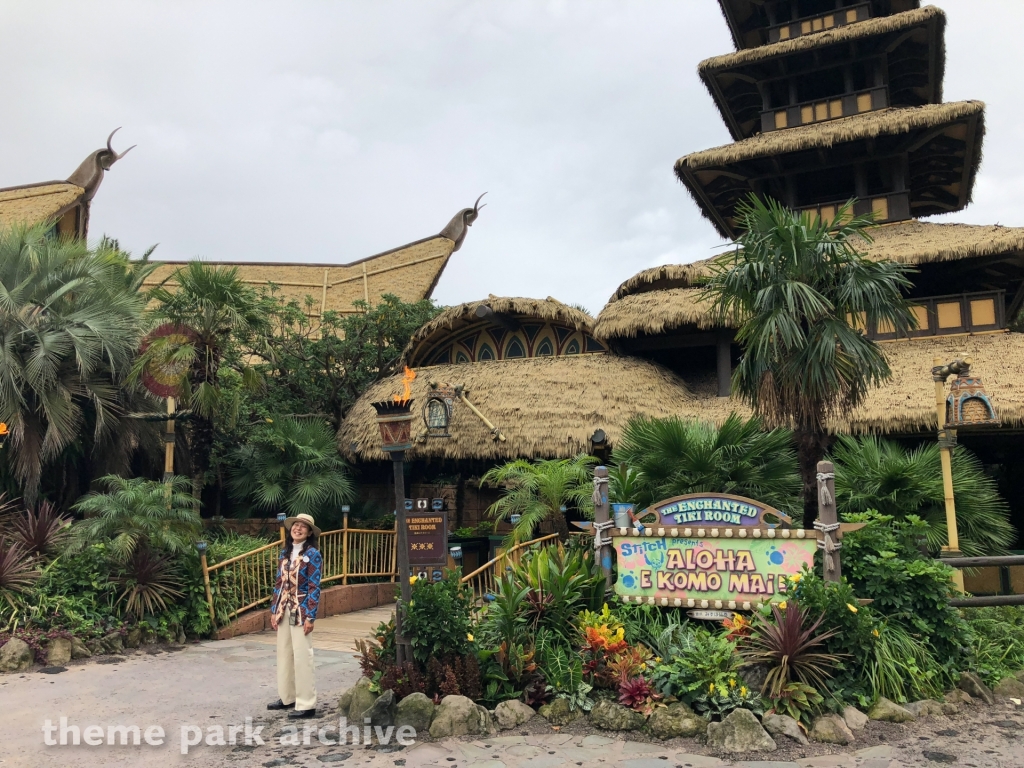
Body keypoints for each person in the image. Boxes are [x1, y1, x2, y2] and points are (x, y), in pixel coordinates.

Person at [266, 513, 323, 718]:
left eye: (303, 527)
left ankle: (307, 703)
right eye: (295, 525)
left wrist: (311, 616)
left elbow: (314, 586)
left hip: (301, 610)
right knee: (284, 652)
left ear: (309, 533)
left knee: (302, 655)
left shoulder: (313, 554)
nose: (298, 528)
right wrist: (274, 611)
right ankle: (288, 697)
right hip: (284, 609)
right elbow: (279, 583)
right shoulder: (285, 553)